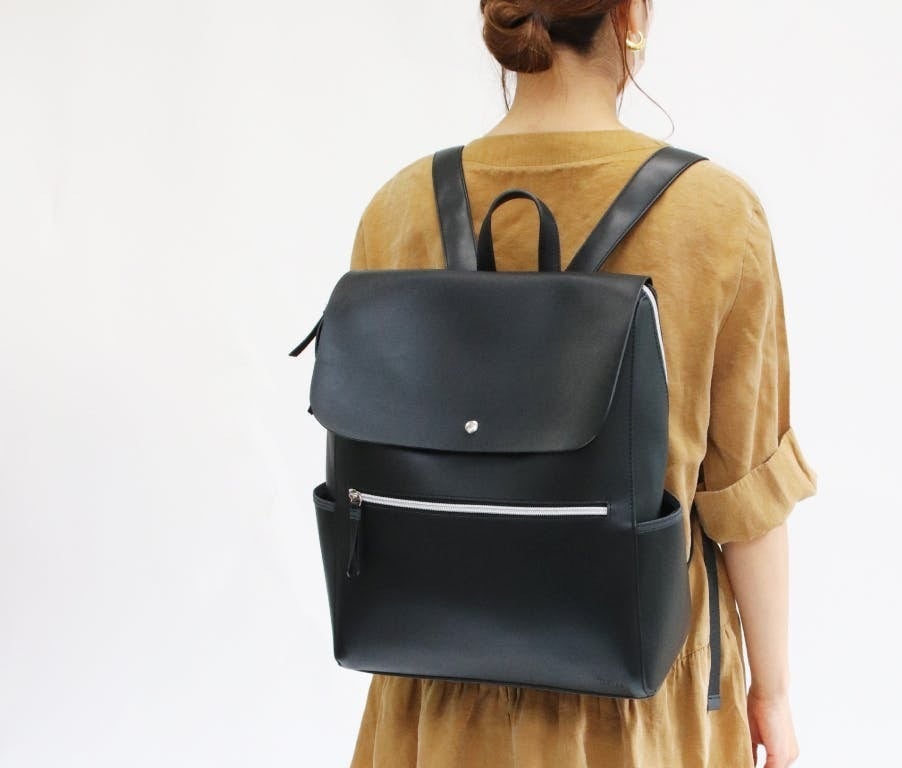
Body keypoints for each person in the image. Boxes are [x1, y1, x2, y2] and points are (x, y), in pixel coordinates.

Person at [345, 1, 819, 766]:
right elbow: (746, 505)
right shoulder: (715, 214)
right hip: (638, 705)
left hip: (434, 698)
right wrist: (774, 692)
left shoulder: (398, 208)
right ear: (628, 14)